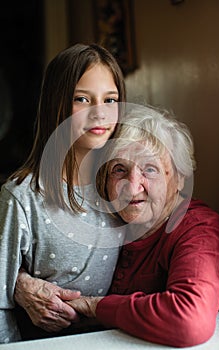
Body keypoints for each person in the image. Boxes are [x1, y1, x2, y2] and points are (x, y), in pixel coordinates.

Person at [65, 104, 219, 348]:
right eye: (119, 169)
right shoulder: (109, 222)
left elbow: (188, 321)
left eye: (150, 169)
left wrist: (94, 306)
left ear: (180, 178)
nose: (132, 187)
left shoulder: (198, 228)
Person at [0, 42, 126, 344]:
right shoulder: (23, 198)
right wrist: (17, 285)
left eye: (110, 100)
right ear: (56, 104)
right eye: (82, 99)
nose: (99, 113)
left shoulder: (123, 186)